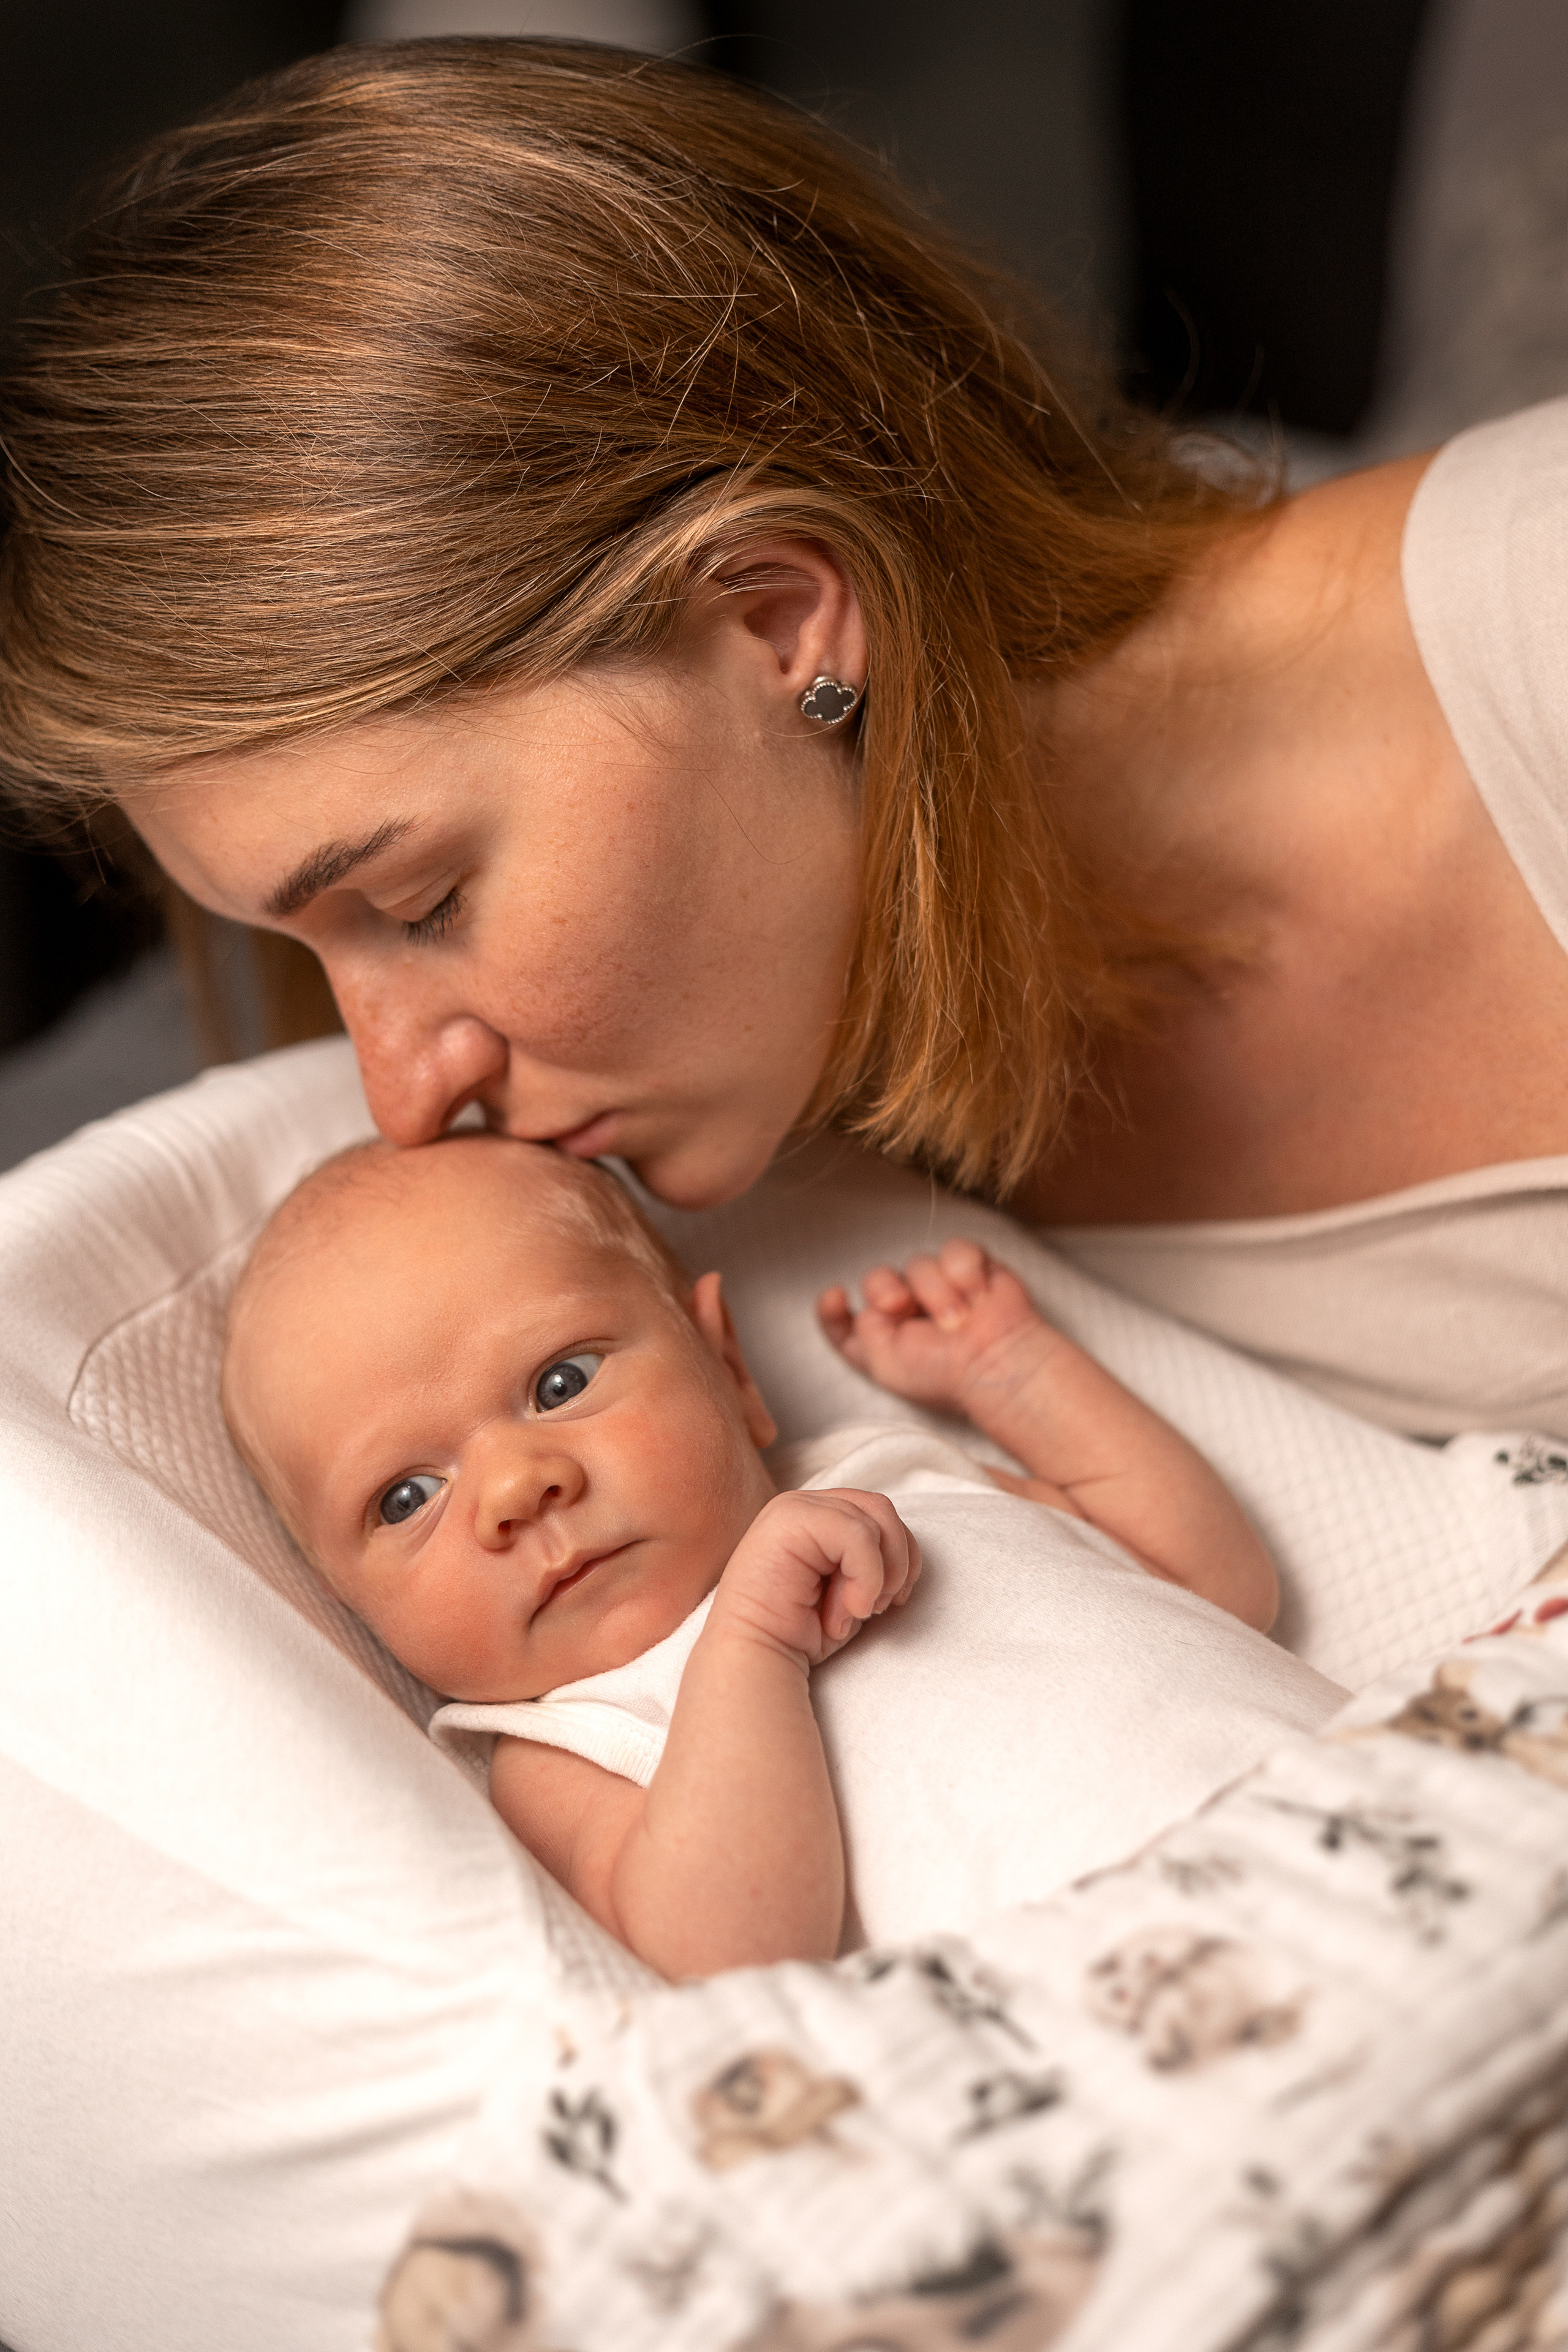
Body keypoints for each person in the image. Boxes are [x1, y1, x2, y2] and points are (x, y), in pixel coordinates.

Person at [4, 37, 1567, 1447]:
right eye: (311, 946)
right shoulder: (793, 1131)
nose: (404, 1099)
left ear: (776, 619)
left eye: (421, 906)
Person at [220, 1131, 1291, 1978]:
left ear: (726, 1364)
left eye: (561, 1383)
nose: (514, 1487)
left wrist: (1019, 1374)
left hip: (1336, 1792)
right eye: (407, 1497)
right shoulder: (562, 1749)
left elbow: (1215, 1583)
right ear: (344, 1600)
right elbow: (722, 1951)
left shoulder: (895, 1474)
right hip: (1132, 1979)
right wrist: (752, 1645)